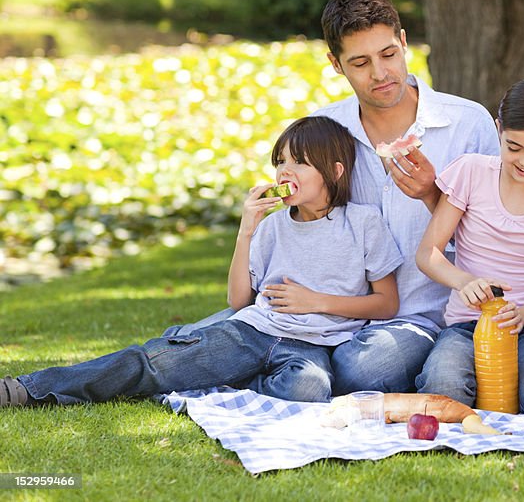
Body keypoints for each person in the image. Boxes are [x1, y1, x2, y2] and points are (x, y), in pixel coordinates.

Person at [165, 0, 499, 394]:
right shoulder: (326, 129)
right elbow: (301, 212)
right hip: (320, 316)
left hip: (418, 316)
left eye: (389, 54)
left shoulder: (468, 122)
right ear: (335, 64)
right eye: (360, 63)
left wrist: (432, 195)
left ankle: (253, 363)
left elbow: (493, 233)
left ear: (405, 42)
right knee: (195, 341)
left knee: (362, 370)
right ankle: (208, 351)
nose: (380, 74)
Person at [1, 116, 402, 408]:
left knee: (310, 389)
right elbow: (240, 300)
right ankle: (28, 389)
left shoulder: (363, 223)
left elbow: (386, 303)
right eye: (280, 161)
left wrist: (318, 301)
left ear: (334, 171)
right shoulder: (272, 227)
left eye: (299, 162)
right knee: (151, 364)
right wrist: (246, 229)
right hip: (253, 331)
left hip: (311, 346)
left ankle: (204, 364)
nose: (285, 170)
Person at [415, 78, 524, 413]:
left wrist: (521, 316)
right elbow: (428, 253)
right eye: (514, 147)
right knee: (444, 384)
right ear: (498, 130)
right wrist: (463, 281)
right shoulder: (470, 172)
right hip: (465, 327)